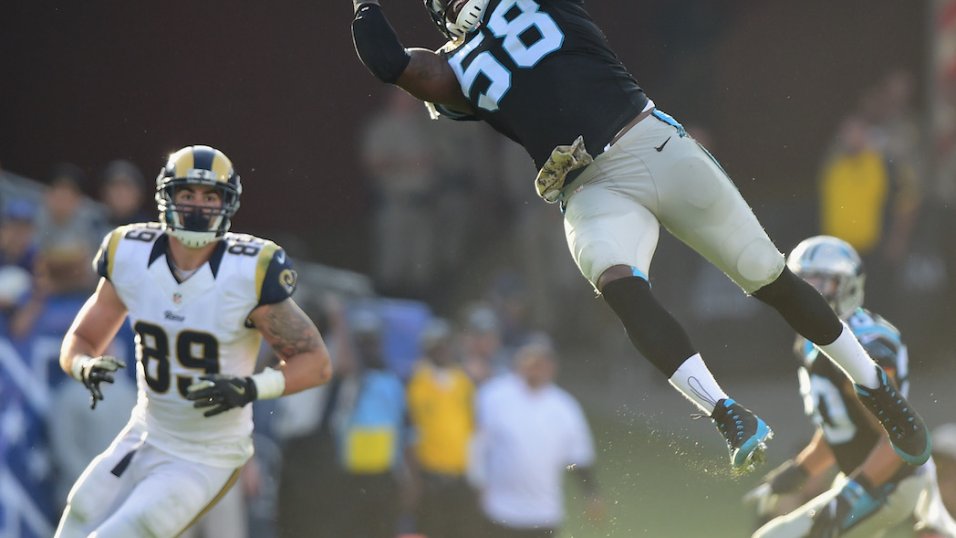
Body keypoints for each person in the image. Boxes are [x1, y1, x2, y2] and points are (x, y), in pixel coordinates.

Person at [347, 0, 931, 470]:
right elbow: (392, 63)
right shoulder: (454, 65)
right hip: (587, 187)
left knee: (767, 274)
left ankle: (874, 385)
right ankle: (726, 412)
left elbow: (394, 60)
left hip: (650, 142)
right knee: (618, 283)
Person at [53, 145, 334, 538]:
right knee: (77, 517)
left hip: (207, 454)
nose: (199, 207)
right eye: (188, 194)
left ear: (227, 203)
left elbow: (316, 362)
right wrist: (83, 365)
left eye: (210, 196)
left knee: (124, 532)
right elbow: (82, 338)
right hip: (145, 433)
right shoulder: (129, 253)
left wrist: (250, 387)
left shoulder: (249, 270)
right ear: (167, 197)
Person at [747, 236, 956, 538]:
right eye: (804, 283)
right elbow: (842, 426)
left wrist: (852, 494)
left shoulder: (862, 346)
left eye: (822, 282)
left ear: (848, 285)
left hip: (888, 482)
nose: (811, 292)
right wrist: (802, 470)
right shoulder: (812, 343)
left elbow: (896, 438)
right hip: (863, 480)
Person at [469, 338, 604, 537]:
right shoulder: (494, 396)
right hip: (500, 509)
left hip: (543, 513)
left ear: (552, 367)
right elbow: (479, 446)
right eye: (531, 361)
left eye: (542, 362)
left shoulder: (564, 407)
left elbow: (577, 458)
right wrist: (478, 481)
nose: (536, 368)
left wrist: (591, 493)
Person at [405, 318, 482, 538]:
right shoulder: (417, 381)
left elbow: (472, 426)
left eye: (445, 345)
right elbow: (411, 429)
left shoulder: (463, 381)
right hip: (429, 476)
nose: (442, 350)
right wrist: (413, 477)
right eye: (436, 346)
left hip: (460, 476)